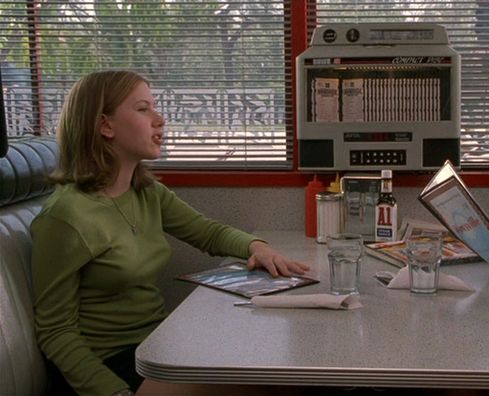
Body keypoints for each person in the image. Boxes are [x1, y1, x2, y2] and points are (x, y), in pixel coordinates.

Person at [31, 70, 311, 396]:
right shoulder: (65, 217)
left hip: (158, 343)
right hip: (111, 367)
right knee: (270, 381)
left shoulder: (146, 192)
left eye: (155, 107)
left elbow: (208, 233)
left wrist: (257, 246)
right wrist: (115, 392)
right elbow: (55, 331)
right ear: (105, 125)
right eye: (143, 109)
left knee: (282, 361)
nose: (160, 119)